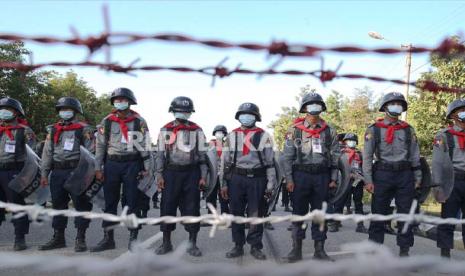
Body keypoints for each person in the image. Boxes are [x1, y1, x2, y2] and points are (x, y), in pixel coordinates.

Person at [281, 92, 339, 262]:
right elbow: (287, 157)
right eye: (311, 104)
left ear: (321, 108)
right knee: (298, 213)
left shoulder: (329, 131)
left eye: (317, 104)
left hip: (322, 176)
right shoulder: (295, 131)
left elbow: (335, 156)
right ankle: (296, 250)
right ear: (305, 108)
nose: (314, 107)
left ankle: (319, 250)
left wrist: (333, 178)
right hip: (301, 176)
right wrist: (289, 179)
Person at [91, 87, 151, 252]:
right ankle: (108, 238)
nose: (120, 102)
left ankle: (133, 239)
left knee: (132, 202)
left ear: (130, 102)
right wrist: (98, 168)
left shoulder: (139, 122)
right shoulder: (107, 121)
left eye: (123, 100)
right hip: (112, 164)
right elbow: (100, 146)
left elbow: (145, 146)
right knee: (109, 202)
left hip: (133, 164)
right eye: (117, 100)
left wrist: (147, 168)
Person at [363, 92, 421, 257]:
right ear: (385, 107)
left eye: (400, 104)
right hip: (382, 174)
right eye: (393, 103)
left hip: (405, 175)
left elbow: (415, 155)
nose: (397, 106)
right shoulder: (374, 129)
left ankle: (404, 251)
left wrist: (417, 178)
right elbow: (367, 157)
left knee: (405, 214)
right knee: (378, 213)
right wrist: (368, 180)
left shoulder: (408, 130)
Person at [219, 103, 276, 260]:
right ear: (238, 117)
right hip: (236, 178)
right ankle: (237, 245)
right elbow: (224, 162)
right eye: (243, 114)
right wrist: (223, 183)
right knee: (236, 212)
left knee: (256, 213)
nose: (246, 116)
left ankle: (255, 246)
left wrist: (271, 184)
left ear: (256, 117)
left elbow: (270, 162)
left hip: (258, 178)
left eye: (250, 114)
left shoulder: (264, 136)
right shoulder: (231, 136)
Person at [39, 97, 94, 252]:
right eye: (62, 109)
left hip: (77, 171)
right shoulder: (53, 130)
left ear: (75, 112)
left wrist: (87, 174)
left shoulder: (84, 129)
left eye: (68, 109)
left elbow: (91, 153)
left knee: (81, 205)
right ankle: (58, 237)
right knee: (58, 205)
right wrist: (44, 173)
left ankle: (80, 238)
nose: (65, 112)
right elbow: (47, 153)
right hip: (57, 172)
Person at [155, 96, 207, 257]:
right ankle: (166, 243)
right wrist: (159, 175)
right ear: (173, 111)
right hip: (171, 173)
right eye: (180, 111)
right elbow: (160, 155)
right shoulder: (165, 130)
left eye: (186, 111)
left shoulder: (197, 130)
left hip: (192, 173)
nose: (183, 113)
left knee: (192, 208)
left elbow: (203, 156)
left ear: (190, 113)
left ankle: (192, 243)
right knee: (167, 207)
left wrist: (203, 176)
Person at [0, 97, 35, 250]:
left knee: (17, 206)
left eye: (8, 109)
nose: (3, 112)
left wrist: (26, 176)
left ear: (16, 112)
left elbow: (32, 155)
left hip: (15, 171)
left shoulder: (25, 131)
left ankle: (19, 238)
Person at [433, 99, 465, 258]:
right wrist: (438, 188)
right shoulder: (444, 136)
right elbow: (437, 164)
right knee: (448, 220)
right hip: (452, 182)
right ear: (453, 115)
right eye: (462, 110)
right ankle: (445, 255)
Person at [330, 133, 367, 233]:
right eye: (349, 140)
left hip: (357, 181)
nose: (352, 142)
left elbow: (364, 167)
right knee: (339, 203)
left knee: (358, 204)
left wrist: (365, 180)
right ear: (345, 142)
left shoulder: (359, 154)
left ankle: (360, 226)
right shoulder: (341, 153)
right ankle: (335, 223)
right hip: (344, 181)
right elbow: (336, 167)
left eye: (353, 141)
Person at [206, 125, 229, 214]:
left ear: (224, 134)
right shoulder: (209, 145)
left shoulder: (228, 145)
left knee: (224, 196)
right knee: (210, 196)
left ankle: (225, 215)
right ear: (214, 134)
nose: (219, 134)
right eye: (217, 132)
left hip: (224, 175)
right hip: (212, 175)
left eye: (221, 132)